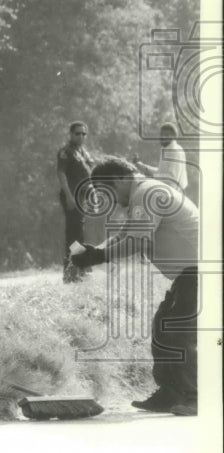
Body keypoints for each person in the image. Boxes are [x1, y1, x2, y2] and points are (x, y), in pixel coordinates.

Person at [71, 156, 199, 416]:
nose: (114, 201)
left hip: (199, 272)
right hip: (189, 274)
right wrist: (95, 251)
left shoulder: (146, 194)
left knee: (177, 332)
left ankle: (195, 396)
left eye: (110, 192)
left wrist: (98, 256)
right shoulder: (144, 193)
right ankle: (170, 392)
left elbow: (137, 243)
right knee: (163, 328)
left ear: (120, 179)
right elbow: (125, 236)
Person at [56, 121, 95, 283]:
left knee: (79, 233)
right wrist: (69, 197)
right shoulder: (66, 152)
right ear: (71, 134)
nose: (80, 136)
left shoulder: (83, 152)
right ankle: (71, 271)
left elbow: (89, 174)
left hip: (83, 196)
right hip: (72, 196)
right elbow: (61, 174)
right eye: (77, 133)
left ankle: (80, 269)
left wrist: (93, 194)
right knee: (73, 235)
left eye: (83, 134)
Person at [132, 122, 188, 192]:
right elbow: (161, 172)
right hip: (166, 191)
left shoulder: (175, 151)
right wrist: (141, 166)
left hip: (173, 194)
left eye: (166, 135)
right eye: (161, 134)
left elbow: (172, 179)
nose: (162, 137)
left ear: (173, 136)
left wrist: (152, 176)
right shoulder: (167, 149)